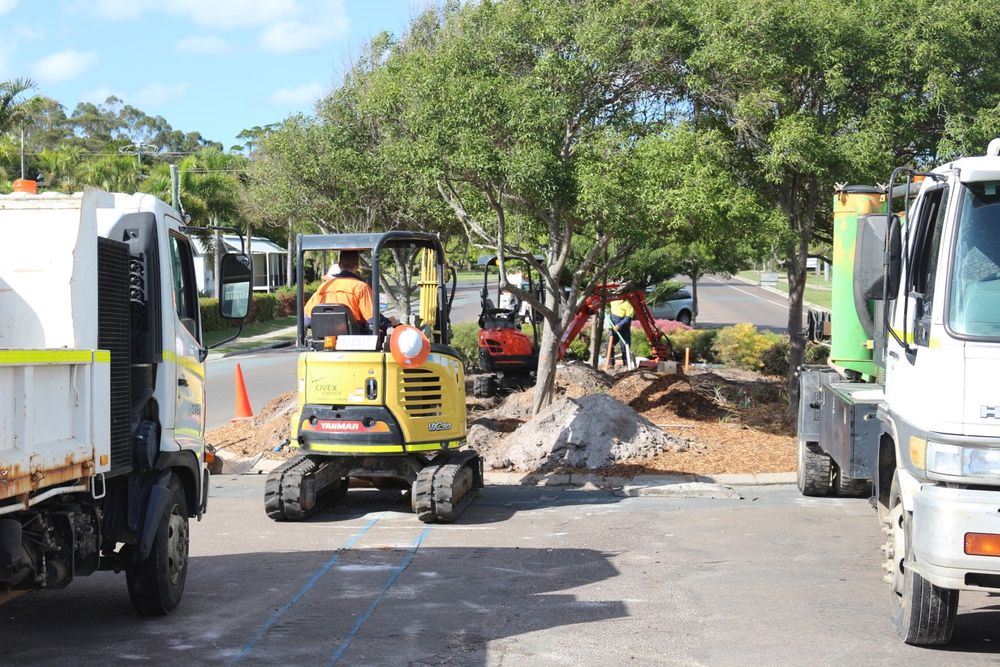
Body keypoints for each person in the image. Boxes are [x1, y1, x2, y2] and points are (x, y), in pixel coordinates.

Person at [304, 250, 386, 334]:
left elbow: (307, 320)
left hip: (325, 338)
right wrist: (389, 323)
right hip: (354, 339)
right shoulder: (361, 287)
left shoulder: (324, 287)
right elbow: (372, 319)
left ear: (339, 265)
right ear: (357, 265)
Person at [608, 297, 634, 368]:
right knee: (609, 345)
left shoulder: (628, 304)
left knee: (625, 346)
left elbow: (628, 318)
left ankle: (626, 365)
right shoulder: (613, 301)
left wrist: (619, 325)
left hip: (624, 327)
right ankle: (611, 363)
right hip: (613, 327)